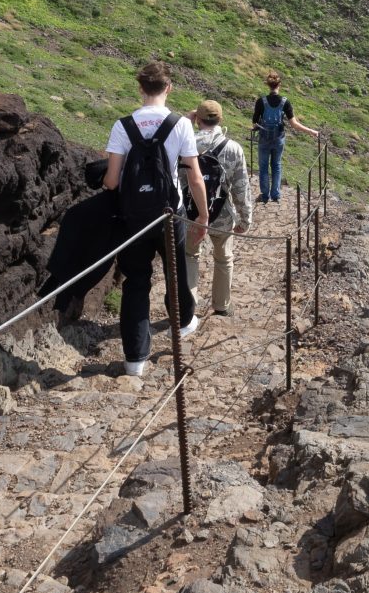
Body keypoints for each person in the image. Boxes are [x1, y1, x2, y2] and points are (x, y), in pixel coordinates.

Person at [104, 60, 209, 376]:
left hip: (133, 218)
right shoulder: (180, 125)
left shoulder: (123, 126)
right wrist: (203, 215)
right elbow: (195, 177)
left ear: (140, 88)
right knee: (175, 270)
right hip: (170, 214)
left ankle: (135, 359)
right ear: (168, 88)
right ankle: (185, 321)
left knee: (136, 282)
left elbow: (112, 181)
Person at [188, 99, 253, 316]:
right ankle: (221, 305)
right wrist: (245, 219)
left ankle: (188, 305)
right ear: (221, 119)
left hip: (191, 213)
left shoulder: (187, 144)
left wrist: (187, 124)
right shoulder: (233, 148)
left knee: (190, 256)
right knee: (224, 258)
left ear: (197, 119)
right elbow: (241, 188)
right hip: (222, 214)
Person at [249, 70, 318, 205]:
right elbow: (294, 124)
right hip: (278, 139)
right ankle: (275, 195)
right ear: (279, 85)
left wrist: (258, 127)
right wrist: (311, 131)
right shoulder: (285, 102)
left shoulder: (261, 101)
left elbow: (255, 123)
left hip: (264, 139)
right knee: (276, 165)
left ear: (268, 85)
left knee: (263, 166)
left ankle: (264, 195)